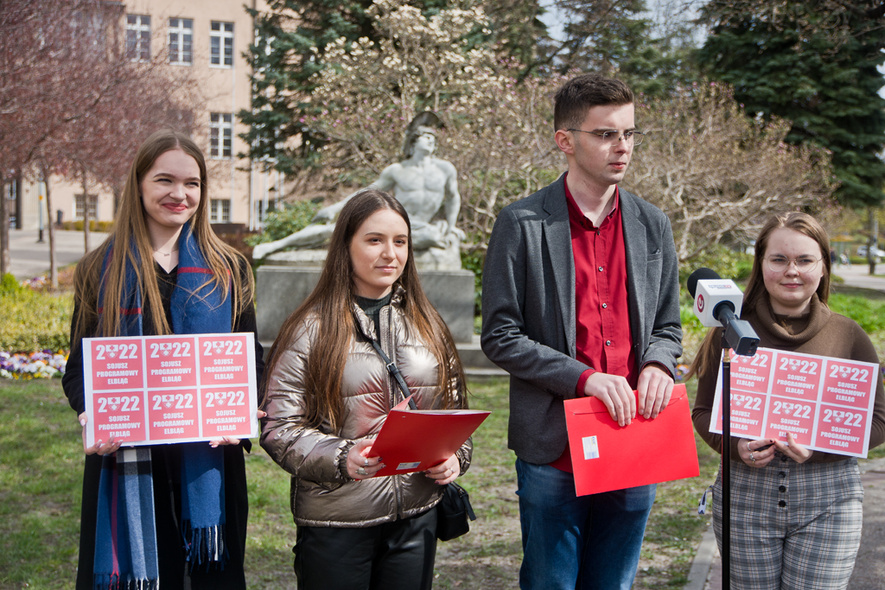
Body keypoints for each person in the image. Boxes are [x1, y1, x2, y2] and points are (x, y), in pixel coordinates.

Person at [480, 73, 683, 589]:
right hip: (555, 446)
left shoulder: (653, 224)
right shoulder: (521, 222)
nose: (623, 147)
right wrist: (584, 378)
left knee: (613, 583)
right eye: (606, 134)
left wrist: (660, 361)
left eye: (630, 134)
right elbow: (500, 335)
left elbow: (667, 325)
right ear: (565, 141)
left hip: (636, 435)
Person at [62, 129, 265, 590]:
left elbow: (250, 358)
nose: (180, 194)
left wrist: (242, 410)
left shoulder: (229, 269)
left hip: (210, 462)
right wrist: (90, 413)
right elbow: (79, 369)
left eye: (192, 183)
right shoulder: (100, 270)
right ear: (138, 185)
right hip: (128, 458)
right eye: (164, 181)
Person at [260, 189, 471, 590]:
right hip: (337, 521)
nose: (389, 253)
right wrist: (342, 456)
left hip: (416, 517)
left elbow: (455, 411)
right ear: (346, 245)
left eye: (400, 241)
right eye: (374, 240)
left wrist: (455, 457)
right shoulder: (309, 327)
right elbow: (279, 427)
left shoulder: (428, 323)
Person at [691, 212, 885, 590]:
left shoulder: (850, 336)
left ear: (825, 267)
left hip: (830, 501)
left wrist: (819, 447)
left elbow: (879, 422)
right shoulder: (730, 329)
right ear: (761, 264)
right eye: (778, 259)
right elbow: (703, 411)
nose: (791, 271)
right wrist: (735, 446)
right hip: (744, 500)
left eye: (805, 260)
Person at [251, 112, 463, 259]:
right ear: (413, 142)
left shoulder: (445, 169)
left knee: (433, 236)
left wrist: (451, 226)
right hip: (394, 224)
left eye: (433, 138)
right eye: (425, 137)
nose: (431, 141)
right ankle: (277, 245)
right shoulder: (397, 170)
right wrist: (336, 208)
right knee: (333, 231)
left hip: (422, 228)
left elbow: (453, 197)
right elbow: (369, 191)